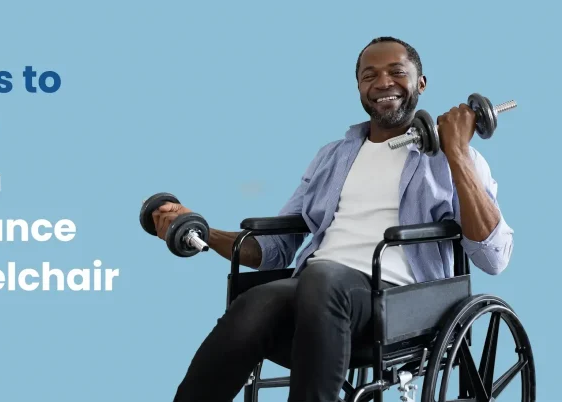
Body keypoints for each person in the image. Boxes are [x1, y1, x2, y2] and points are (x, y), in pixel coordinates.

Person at [152, 36, 514, 402]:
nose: (383, 82)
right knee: (254, 301)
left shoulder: (454, 160)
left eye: (396, 72)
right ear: (359, 88)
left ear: (421, 83)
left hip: (399, 300)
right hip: (317, 291)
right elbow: (274, 250)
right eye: (369, 75)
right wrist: (201, 229)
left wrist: (458, 151)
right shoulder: (333, 157)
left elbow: (493, 257)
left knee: (323, 278)